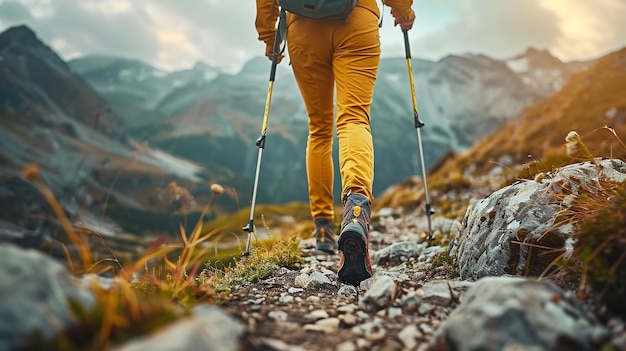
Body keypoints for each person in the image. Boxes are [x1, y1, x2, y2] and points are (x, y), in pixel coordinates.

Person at [255, 0, 415, 286]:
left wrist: (270, 36)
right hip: (357, 19)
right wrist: (403, 10)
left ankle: (323, 230)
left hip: (301, 24)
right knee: (354, 118)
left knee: (319, 128)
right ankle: (356, 209)